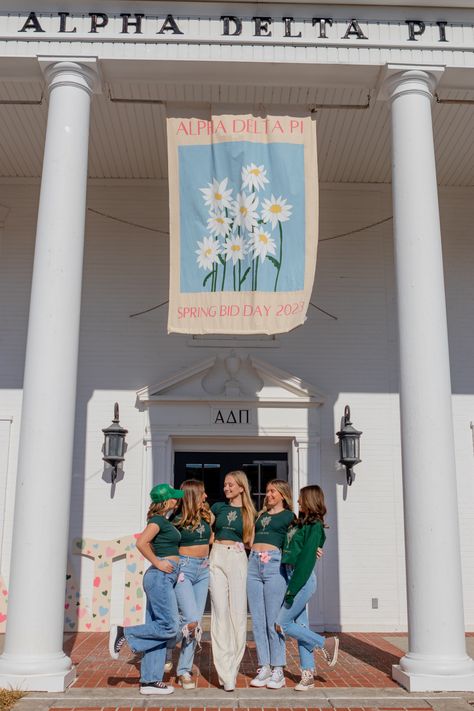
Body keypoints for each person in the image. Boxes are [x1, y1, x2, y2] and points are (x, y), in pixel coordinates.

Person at [108, 483, 184, 696]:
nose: (177, 501)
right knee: (170, 627)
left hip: (161, 578)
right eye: (174, 498)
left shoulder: (164, 521)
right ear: (166, 500)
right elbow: (141, 543)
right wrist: (159, 562)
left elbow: (151, 545)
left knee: (157, 629)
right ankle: (124, 632)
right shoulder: (157, 521)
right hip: (160, 576)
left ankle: (150, 681)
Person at [275, 485, 339, 691]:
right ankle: (307, 674)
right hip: (292, 575)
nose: (299, 502)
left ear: (310, 500)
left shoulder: (315, 527)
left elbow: (305, 561)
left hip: (301, 579)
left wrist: (292, 589)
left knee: (282, 623)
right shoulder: (299, 522)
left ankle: (324, 643)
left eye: (302, 499)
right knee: (301, 627)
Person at [209, 470, 256, 691]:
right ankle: (224, 670)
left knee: (238, 614)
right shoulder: (217, 508)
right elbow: (202, 529)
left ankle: (232, 672)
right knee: (219, 612)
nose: (226, 488)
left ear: (241, 487)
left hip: (237, 558)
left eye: (230, 485)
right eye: (225, 484)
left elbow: (252, 542)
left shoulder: (249, 512)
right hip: (217, 553)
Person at [247, 479, 295, 689]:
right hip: (254, 563)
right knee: (257, 620)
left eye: (272, 491)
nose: (268, 494)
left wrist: (315, 549)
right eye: (267, 491)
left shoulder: (289, 516)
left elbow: (297, 541)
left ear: (283, 494)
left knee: (273, 620)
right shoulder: (261, 515)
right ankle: (264, 665)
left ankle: (278, 669)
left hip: (274, 565)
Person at [172, 479, 213, 690]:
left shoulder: (207, 517)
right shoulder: (175, 519)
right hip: (184, 571)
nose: (206, 497)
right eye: (203, 493)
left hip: (203, 570)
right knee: (190, 619)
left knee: (195, 623)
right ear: (192, 495)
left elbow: (216, 537)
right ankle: (156, 641)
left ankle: (183, 670)